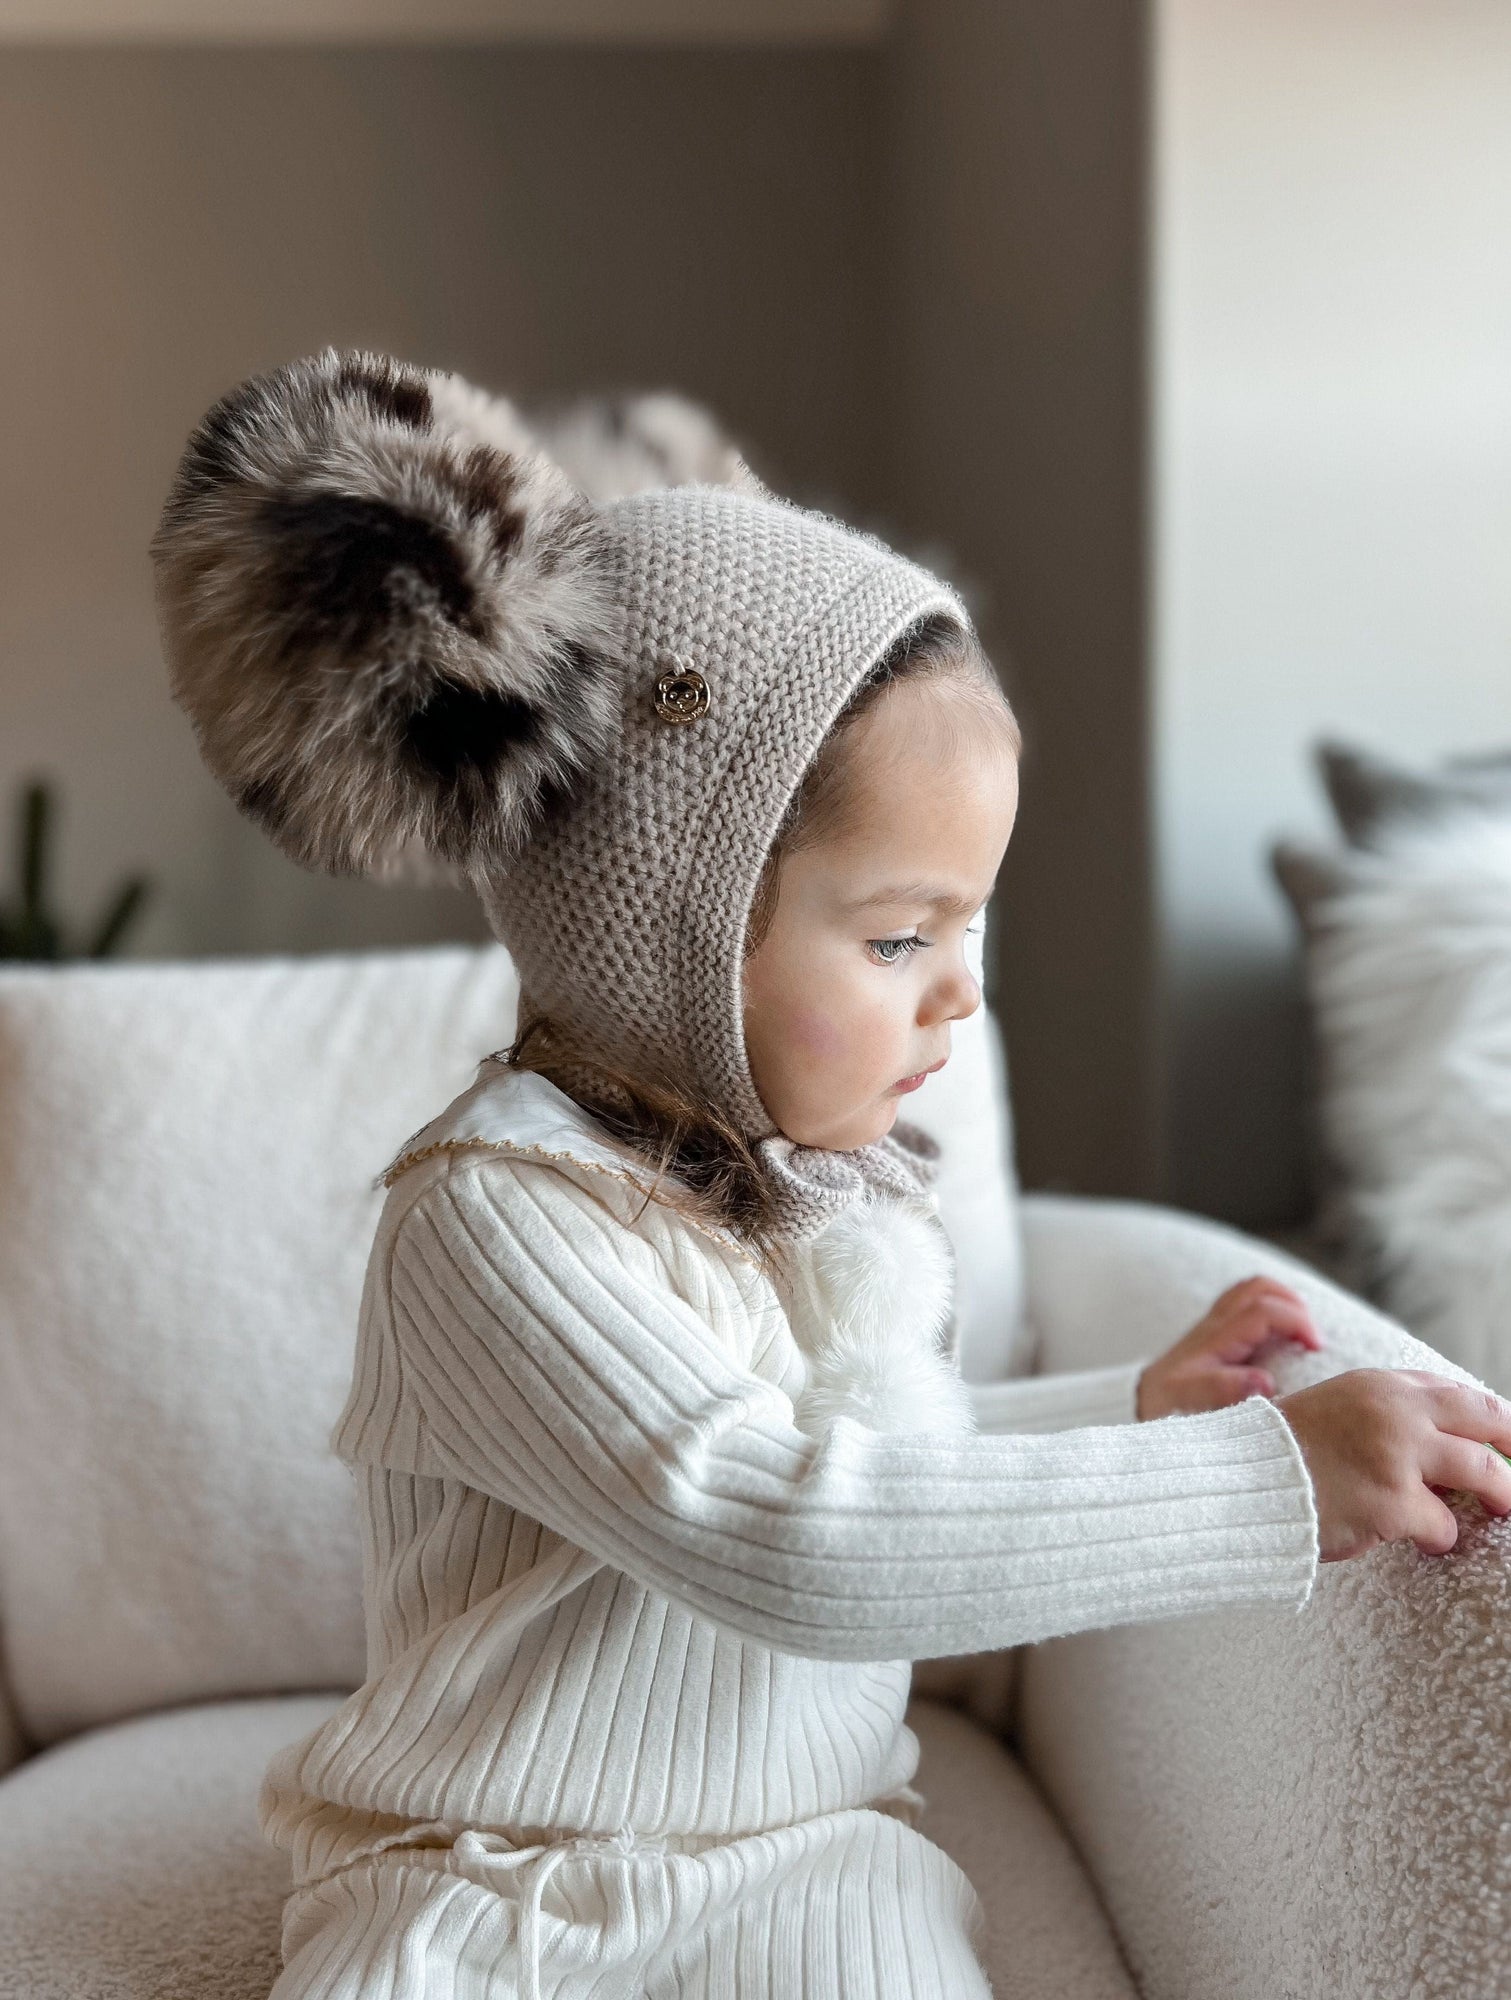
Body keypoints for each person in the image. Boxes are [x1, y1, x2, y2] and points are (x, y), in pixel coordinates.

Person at [152, 351, 1511, 2000]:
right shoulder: (494, 1216)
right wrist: (1256, 1482)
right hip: (493, 1879)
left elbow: (865, 1458)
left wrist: (1128, 1415)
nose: (960, 995)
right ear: (666, 928)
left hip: (808, 1853)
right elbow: (782, 1525)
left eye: (969, 926)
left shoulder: (816, 1196)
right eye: (895, 936)